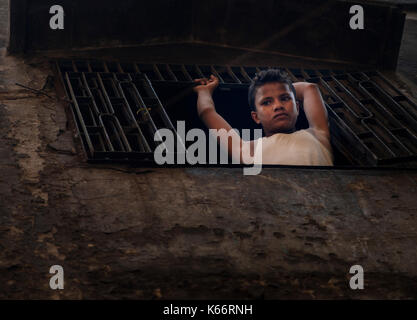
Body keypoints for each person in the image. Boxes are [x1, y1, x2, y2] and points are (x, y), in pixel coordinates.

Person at [192, 68, 333, 166]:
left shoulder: (317, 134)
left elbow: (310, 88)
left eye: (284, 98)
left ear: (297, 107)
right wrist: (204, 91)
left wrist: (274, 89)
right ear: (256, 117)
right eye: (267, 102)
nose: (278, 106)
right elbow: (207, 112)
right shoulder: (248, 150)